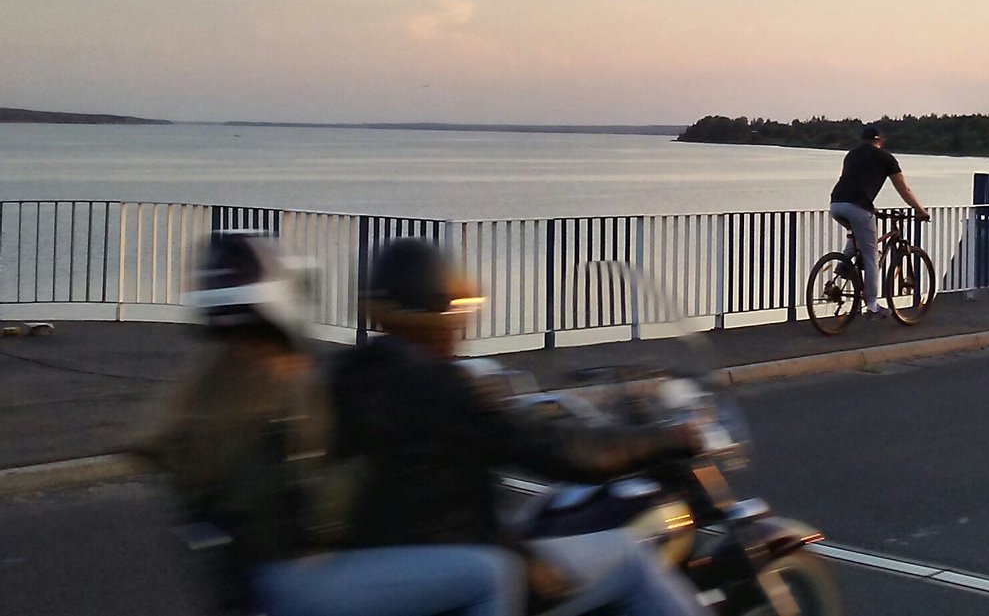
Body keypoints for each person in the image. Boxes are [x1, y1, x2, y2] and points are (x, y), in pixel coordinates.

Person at [133, 232, 525, 616]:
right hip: (295, 578)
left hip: (246, 579)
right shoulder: (280, 382)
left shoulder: (206, 386)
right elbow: (315, 501)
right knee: (491, 574)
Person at [329, 237, 710, 616]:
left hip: (375, 572)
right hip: (462, 563)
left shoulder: (346, 373)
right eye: (457, 315)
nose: (461, 330)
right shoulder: (444, 385)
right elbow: (560, 452)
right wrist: (668, 439)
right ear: (440, 317)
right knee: (630, 557)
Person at [828, 124, 931, 318]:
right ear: (880, 141)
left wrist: (869, 206)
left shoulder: (851, 155)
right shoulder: (886, 158)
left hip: (836, 204)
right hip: (858, 207)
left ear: (863, 139)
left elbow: (851, 182)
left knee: (858, 239)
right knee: (871, 256)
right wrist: (920, 210)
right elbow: (904, 189)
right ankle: (873, 306)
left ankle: (843, 266)